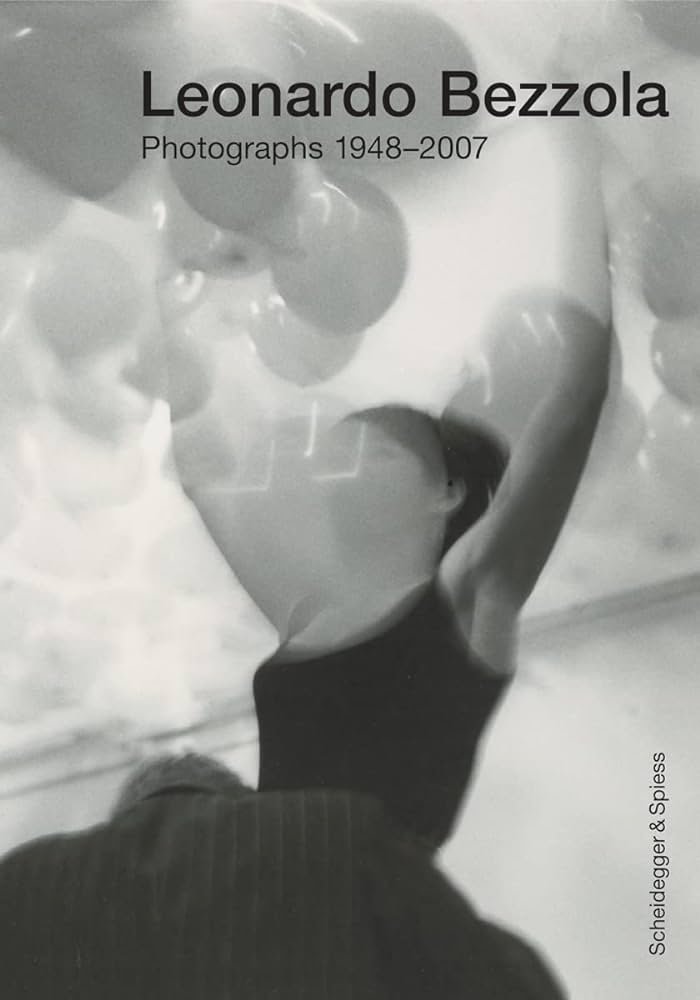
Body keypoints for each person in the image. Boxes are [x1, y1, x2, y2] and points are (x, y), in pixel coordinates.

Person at [0, 133, 612, 997]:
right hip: (273, 903)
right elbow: (203, 465)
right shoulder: (304, 608)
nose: (335, 460)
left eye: (374, 448)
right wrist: (174, 306)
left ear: (445, 492)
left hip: (370, 912)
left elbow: (573, 399)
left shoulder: (472, 593)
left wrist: (584, 171)